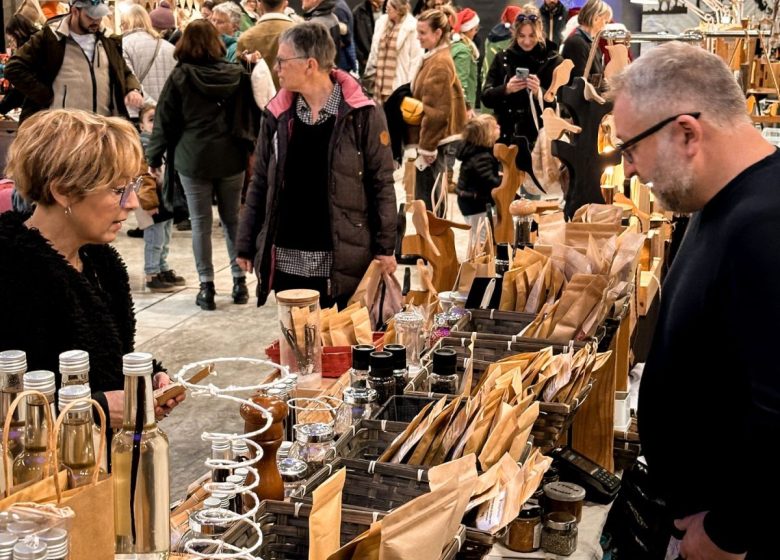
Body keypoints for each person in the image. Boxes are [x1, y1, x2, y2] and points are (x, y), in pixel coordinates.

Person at [610, 41, 779, 559]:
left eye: (630, 149)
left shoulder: (765, 227)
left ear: (686, 133)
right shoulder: (714, 200)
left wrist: (731, 532)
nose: (631, 171)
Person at [0, 109, 184, 429]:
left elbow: (103, 354)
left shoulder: (100, 262)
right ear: (64, 191)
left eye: (132, 186)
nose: (132, 203)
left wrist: (144, 376)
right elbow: (10, 407)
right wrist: (91, 408)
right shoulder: (10, 271)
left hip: (102, 461)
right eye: (117, 190)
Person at [236, 22, 397, 309]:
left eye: (282, 61)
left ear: (309, 65)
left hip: (340, 256)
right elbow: (260, 181)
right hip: (286, 255)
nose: (276, 68)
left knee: (338, 348)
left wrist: (386, 247)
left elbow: (381, 182)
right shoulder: (278, 114)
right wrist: (246, 243)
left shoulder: (361, 114)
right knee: (293, 344)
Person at [145, 20, 259, 311]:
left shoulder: (180, 77)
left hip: (192, 158)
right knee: (232, 219)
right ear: (217, 43)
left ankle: (206, 287)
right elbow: (250, 117)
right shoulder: (237, 75)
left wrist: (153, 159)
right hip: (231, 157)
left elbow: (164, 122)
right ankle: (239, 283)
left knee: (200, 224)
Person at [4, 0, 144, 123]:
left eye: (99, 16)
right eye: (90, 16)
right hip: (63, 131)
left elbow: (124, 71)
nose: (96, 20)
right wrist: (45, 96)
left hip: (102, 129)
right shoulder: (50, 37)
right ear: (75, 11)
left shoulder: (109, 40)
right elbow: (13, 68)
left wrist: (133, 89)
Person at [410, 8, 467, 214]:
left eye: (423, 33)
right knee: (429, 201)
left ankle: (432, 243)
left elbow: (436, 112)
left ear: (438, 33)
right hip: (433, 140)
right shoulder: (433, 57)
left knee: (430, 204)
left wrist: (427, 148)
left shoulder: (440, 63)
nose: (418, 37)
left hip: (435, 142)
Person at [481, 4, 563, 146]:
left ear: (540, 32)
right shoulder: (503, 58)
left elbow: (561, 105)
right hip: (507, 137)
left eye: (532, 35)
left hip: (541, 138)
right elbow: (486, 97)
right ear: (514, 33)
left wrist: (539, 92)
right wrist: (506, 89)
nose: (526, 41)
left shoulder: (553, 61)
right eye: (521, 36)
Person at [137, 102, 186, 293]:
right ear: (142, 126)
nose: (156, 123)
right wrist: (149, 203)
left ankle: (162, 267)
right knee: (154, 238)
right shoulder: (144, 145)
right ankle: (152, 273)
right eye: (151, 120)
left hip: (164, 199)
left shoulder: (164, 144)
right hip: (150, 200)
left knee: (164, 237)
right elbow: (142, 175)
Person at [364, 0, 422, 104]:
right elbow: (374, 53)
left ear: (398, 9)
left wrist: (410, 87)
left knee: (395, 115)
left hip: (400, 81)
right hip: (378, 82)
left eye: (389, 8)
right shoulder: (381, 23)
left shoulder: (412, 27)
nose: (386, 10)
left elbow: (416, 60)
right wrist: (369, 74)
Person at [121, 5, 176, 112]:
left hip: (139, 112)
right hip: (168, 112)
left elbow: (128, 81)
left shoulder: (123, 45)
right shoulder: (170, 48)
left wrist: (152, 107)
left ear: (125, 23)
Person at [455, 114, 501, 240]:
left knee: (477, 235)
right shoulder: (481, 156)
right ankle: (478, 259)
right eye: (494, 127)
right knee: (482, 239)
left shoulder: (476, 151)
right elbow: (488, 181)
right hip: (475, 202)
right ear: (486, 134)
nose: (499, 126)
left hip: (470, 200)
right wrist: (503, 181)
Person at [236, 0, 295, 89]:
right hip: (292, 98)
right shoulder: (301, 33)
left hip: (256, 100)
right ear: (285, 4)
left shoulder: (245, 38)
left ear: (260, 5)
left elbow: (240, 77)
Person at [561, 0, 611, 85]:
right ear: (596, 18)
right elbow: (581, 81)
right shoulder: (577, 43)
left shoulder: (590, 43)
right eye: (605, 22)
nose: (605, 26)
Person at [0, 15, 39, 116]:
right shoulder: (38, 44)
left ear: (19, 34)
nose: (12, 46)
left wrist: (3, 106)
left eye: (12, 40)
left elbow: (21, 89)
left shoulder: (32, 51)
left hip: (40, 111)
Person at [451, 8, 480, 114]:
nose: (475, 33)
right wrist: (467, 107)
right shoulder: (464, 51)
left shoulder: (454, 45)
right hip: (461, 107)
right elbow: (460, 82)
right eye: (475, 29)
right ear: (469, 29)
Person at [352, 0, 382, 76]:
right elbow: (353, 39)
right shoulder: (358, 12)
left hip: (385, 60)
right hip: (366, 61)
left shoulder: (390, 9)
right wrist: (362, 58)